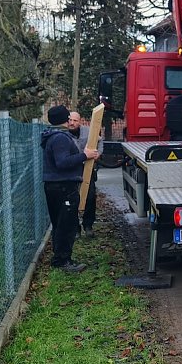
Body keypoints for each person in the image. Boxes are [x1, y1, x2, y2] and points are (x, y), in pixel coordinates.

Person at [41, 105, 100, 272]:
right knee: (67, 225)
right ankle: (63, 261)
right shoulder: (60, 138)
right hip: (63, 188)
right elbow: (62, 162)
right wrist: (85, 155)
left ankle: (60, 258)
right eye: (69, 118)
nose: (70, 121)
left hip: (55, 186)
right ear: (65, 120)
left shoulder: (51, 135)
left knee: (60, 224)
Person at [68, 111, 102, 236]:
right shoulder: (64, 134)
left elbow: (100, 141)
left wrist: (98, 154)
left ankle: (88, 225)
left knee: (91, 197)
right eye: (70, 120)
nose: (72, 123)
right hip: (71, 169)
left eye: (75, 120)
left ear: (80, 121)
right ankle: (75, 227)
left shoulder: (88, 132)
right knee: (72, 198)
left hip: (88, 168)